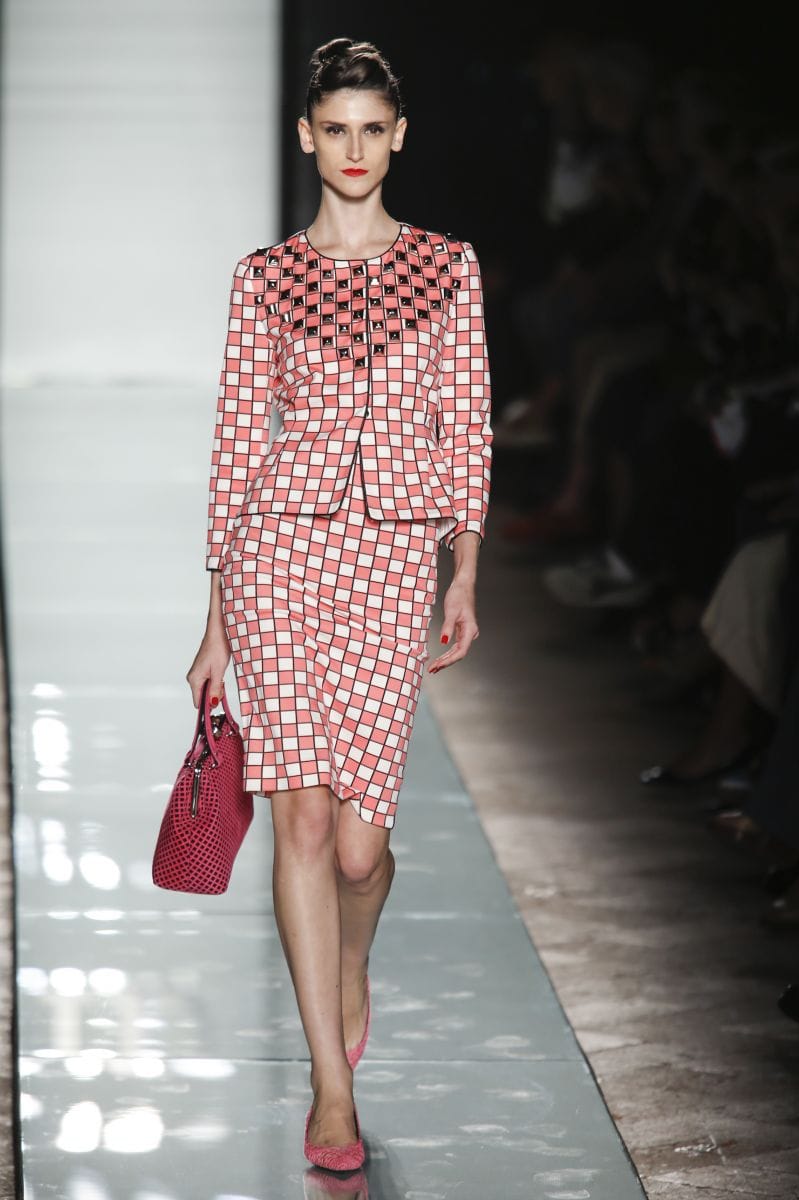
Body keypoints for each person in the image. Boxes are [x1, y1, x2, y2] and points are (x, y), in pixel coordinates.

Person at [185, 37, 492, 1172]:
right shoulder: (263, 278)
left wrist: (464, 569)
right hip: (276, 557)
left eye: (372, 128)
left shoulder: (447, 269)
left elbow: (466, 422)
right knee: (303, 826)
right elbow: (235, 443)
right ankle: (329, 1089)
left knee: (361, 854)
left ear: (396, 137)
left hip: (391, 562)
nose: (353, 148)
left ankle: (351, 960)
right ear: (306, 137)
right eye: (335, 129)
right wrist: (215, 621)